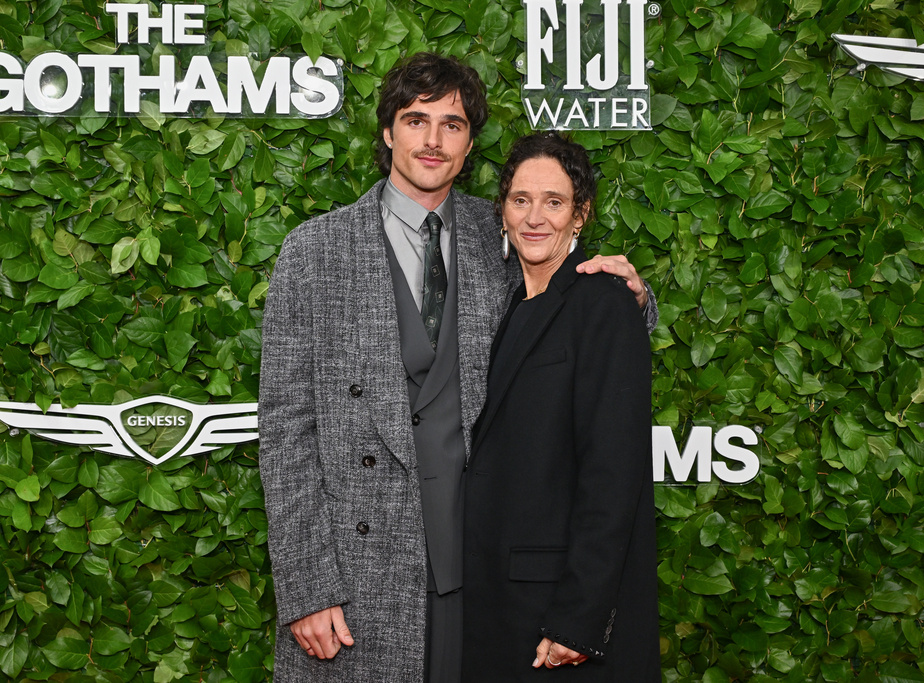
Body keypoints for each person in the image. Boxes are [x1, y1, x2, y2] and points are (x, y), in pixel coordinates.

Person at [258, 53, 658, 683]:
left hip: (477, 566)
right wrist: (308, 585)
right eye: (417, 120)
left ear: (471, 143)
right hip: (359, 575)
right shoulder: (314, 252)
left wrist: (636, 297)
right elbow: (285, 432)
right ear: (388, 131)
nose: (433, 140)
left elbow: (569, 316)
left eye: (453, 124)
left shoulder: (499, 230)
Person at [462, 133, 660, 682]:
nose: (535, 218)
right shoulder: (512, 302)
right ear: (502, 210)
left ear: (580, 215)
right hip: (498, 599)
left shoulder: (603, 302)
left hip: (557, 612)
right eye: (520, 200)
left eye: (554, 202)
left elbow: (613, 473)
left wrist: (579, 618)